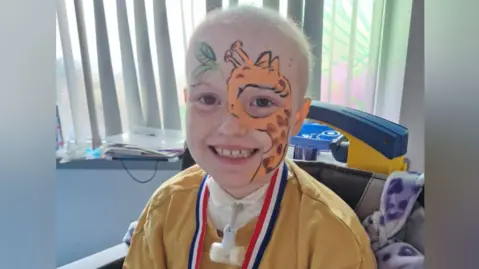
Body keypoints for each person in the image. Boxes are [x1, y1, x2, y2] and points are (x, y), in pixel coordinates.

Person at [124, 5, 376, 269]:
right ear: (188, 103)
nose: (231, 127)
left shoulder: (333, 237)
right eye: (208, 99)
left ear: (297, 119)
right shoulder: (163, 211)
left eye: (262, 102)